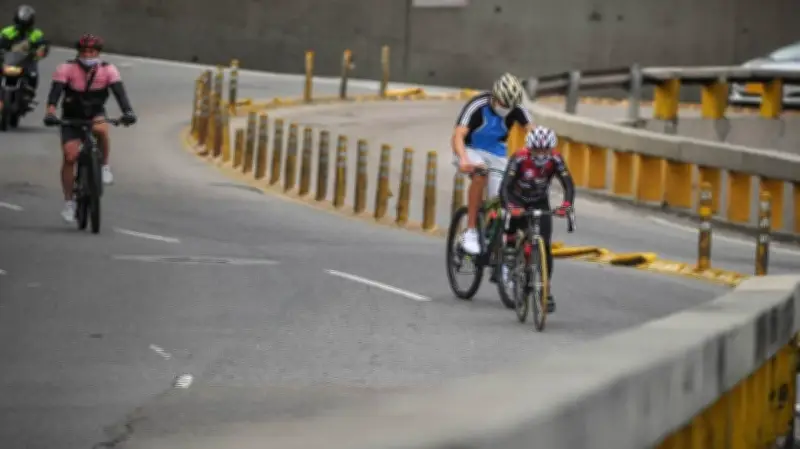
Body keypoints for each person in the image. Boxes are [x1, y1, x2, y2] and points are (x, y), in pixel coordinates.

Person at [43, 33, 137, 223]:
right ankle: (69, 203)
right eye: (84, 51)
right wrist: (50, 113)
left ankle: (105, 166)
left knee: (102, 130)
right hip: (71, 117)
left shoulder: (108, 70)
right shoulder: (66, 68)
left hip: (95, 113)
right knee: (70, 157)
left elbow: (120, 93)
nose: (87, 55)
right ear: (78, 52)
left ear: (98, 53)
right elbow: (55, 94)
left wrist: (128, 112)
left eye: (92, 52)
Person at [451, 72, 535, 256]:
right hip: (470, 149)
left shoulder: (517, 109)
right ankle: (471, 230)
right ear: (495, 98)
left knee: (502, 196)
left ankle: (493, 237)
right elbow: (458, 135)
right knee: (481, 175)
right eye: (503, 104)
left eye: (510, 106)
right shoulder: (477, 105)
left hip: (497, 153)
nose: (506, 109)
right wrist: (463, 159)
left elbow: (533, 132)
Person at [498, 126, 574, 313]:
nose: (541, 155)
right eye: (537, 150)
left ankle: (545, 291)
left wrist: (566, 205)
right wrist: (510, 207)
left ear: (551, 149)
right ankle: (509, 253)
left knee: (545, 246)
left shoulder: (556, 159)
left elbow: (569, 185)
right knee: (512, 221)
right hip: (517, 199)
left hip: (539, 201)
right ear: (530, 148)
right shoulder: (519, 158)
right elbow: (504, 187)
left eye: (545, 150)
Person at [0, 5, 49, 107]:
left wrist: (42, 50)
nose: (22, 27)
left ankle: (29, 94)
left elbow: (43, 45)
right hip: (9, 60)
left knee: (33, 75)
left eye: (25, 24)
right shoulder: (7, 31)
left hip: (27, 61)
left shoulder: (36, 34)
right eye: (20, 24)